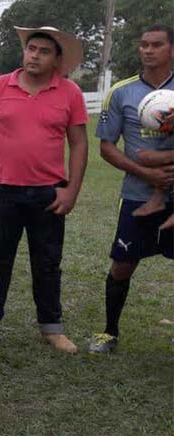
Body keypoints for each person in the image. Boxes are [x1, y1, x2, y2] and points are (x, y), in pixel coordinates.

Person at [0, 26, 88, 354]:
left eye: (43, 51)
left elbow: (78, 143)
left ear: (57, 59)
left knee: (47, 261)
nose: (34, 55)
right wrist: (4, 145)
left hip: (49, 192)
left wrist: (71, 190)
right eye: (31, 48)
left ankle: (52, 328)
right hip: (4, 189)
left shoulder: (70, 93)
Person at [89, 23, 174, 353]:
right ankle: (110, 332)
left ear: (171, 50)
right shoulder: (121, 92)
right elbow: (107, 147)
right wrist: (147, 173)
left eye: (156, 44)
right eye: (143, 44)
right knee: (123, 264)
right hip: (139, 194)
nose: (147, 50)